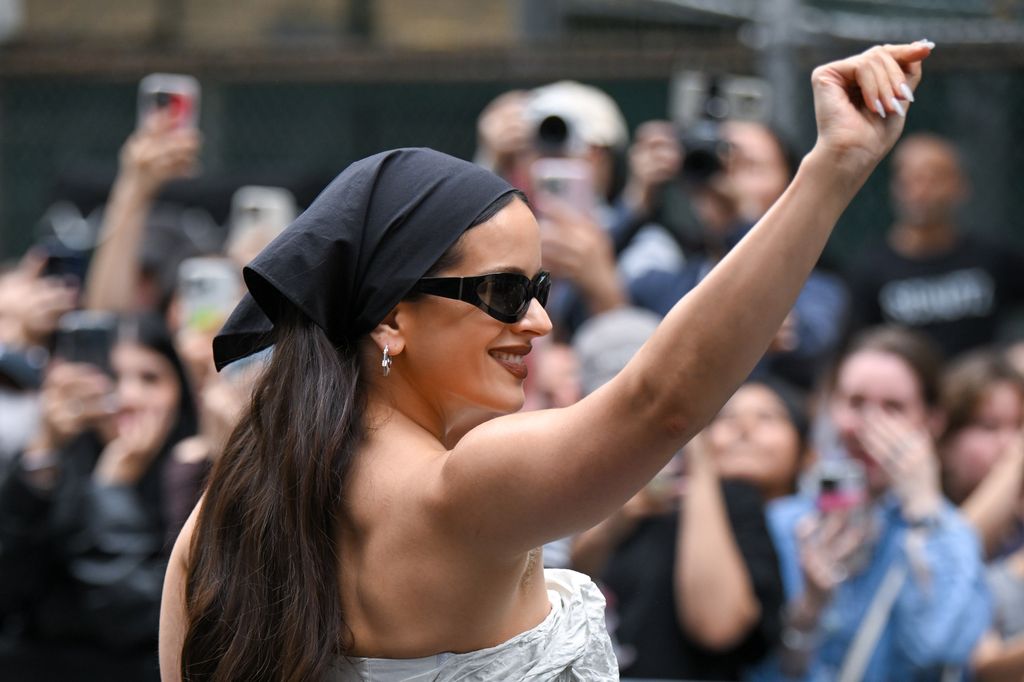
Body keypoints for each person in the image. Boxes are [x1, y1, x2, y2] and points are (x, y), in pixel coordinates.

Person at [161, 43, 933, 681]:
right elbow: (661, 399)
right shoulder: (460, 487)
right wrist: (831, 172)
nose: (537, 320)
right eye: (501, 291)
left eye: (539, 286)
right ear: (391, 315)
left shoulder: (220, 523)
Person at [754, 326, 990, 681]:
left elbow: (939, 649)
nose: (867, 425)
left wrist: (924, 509)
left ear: (932, 421)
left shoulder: (950, 534)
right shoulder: (784, 523)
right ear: (831, 408)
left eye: (893, 408)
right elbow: (761, 671)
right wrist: (808, 612)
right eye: (855, 403)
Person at [569, 309, 785, 680]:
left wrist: (695, 452)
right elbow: (570, 587)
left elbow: (718, 627)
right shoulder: (593, 495)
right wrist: (615, 521)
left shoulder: (731, 499)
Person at [0, 313, 197, 681]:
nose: (128, 397)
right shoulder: (58, 462)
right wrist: (43, 453)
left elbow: (144, 621)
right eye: (110, 378)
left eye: (150, 378)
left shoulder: (194, 474)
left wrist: (112, 490)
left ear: (179, 391)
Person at [844, 133, 1024, 359]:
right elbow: (852, 351)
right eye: (910, 179)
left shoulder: (993, 257)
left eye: (934, 178)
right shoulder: (870, 270)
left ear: (961, 186)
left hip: (977, 389)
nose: (921, 191)